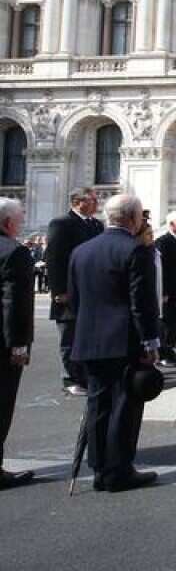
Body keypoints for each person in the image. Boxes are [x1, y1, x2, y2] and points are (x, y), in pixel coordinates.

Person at [67, 194, 161, 493]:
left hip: (89, 339)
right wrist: (150, 342)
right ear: (132, 218)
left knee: (97, 404)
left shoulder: (81, 251)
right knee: (124, 406)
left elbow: (76, 301)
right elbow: (140, 303)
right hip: (123, 341)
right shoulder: (136, 250)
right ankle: (118, 469)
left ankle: (98, 467)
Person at [46, 188, 103, 395]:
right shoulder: (62, 224)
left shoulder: (96, 225)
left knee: (87, 335)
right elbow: (54, 258)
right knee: (69, 337)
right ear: (79, 202)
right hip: (69, 291)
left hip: (91, 290)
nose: (97, 204)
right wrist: (59, 290)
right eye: (93, 200)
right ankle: (70, 378)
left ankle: (85, 375)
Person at [0, 199, 35, 490]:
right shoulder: (15, 252)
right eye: (21, 219)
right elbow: (16, 305)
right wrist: (19, 346)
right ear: (8, 223)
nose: (22, 223)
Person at [153, 212, 176, 368]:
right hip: (168, 291)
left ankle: (170, 351)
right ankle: (163, 354)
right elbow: (162, 269)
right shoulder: (163, 242)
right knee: (167, 323)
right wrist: (163, 292)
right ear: (172, 224)